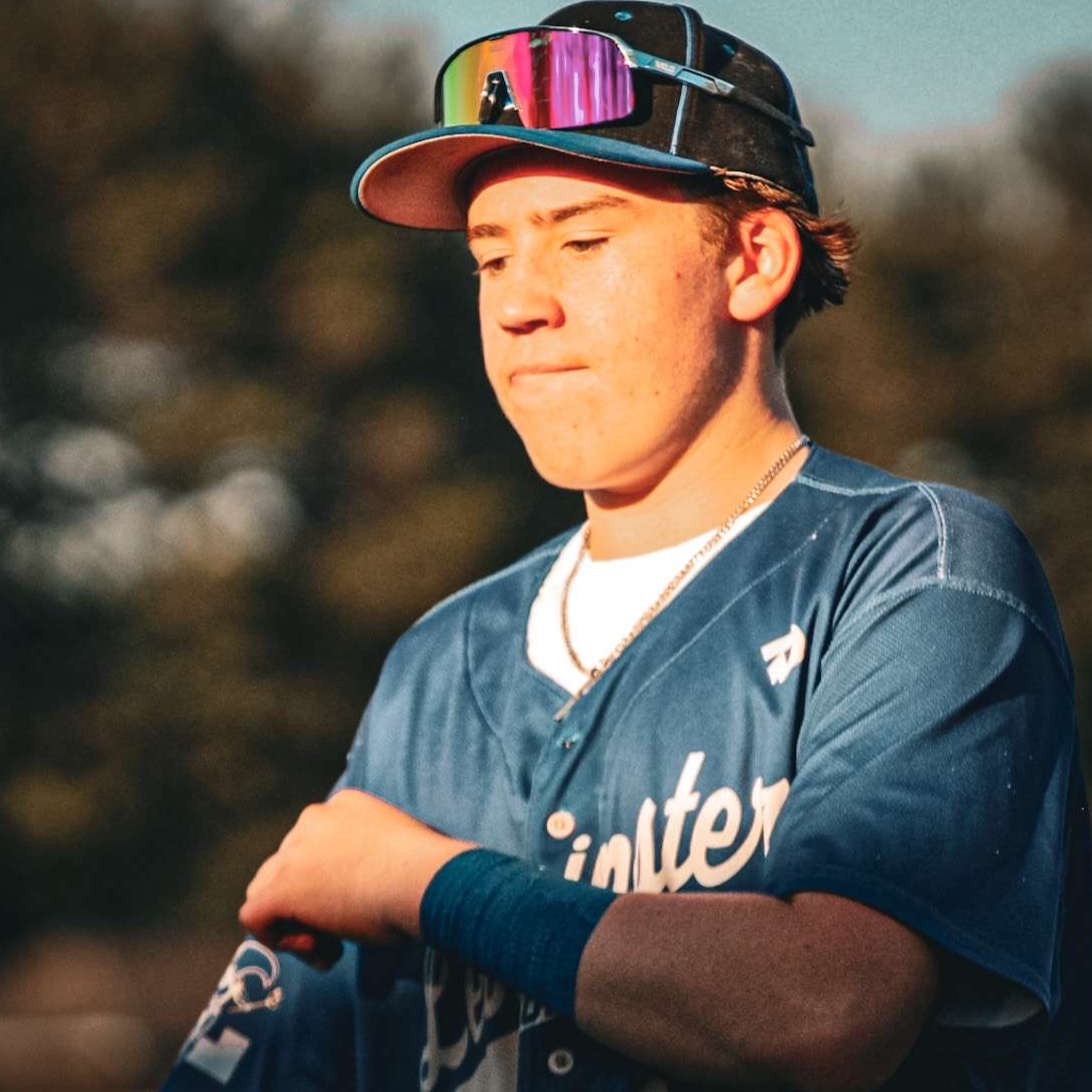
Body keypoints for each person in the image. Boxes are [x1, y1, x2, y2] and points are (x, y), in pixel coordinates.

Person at [161, 3, 1092, 1089]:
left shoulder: (917, 570)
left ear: (753, 258)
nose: (518, 305)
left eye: (582, 241)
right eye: (489, 258)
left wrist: (425, 881)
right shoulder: (439, 659)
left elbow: (829, 1008)